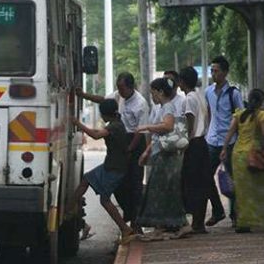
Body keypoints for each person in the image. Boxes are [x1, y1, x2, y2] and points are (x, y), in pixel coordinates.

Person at [77, 73, 149, 233]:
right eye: (118, 88)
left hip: (134, 142)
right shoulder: (118, 97)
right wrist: (83, 95)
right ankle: (129, 215)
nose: (120, 91)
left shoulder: (140, 103)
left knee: (135, 184)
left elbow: (140, 131)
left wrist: (130, 149)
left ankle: (136, 224)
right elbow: (103, 100)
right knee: (120, 185)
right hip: (121, 142)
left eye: (122, 88)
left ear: (131, 87)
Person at [71, 99, 135, 244]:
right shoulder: (115, 124)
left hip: (115, 168)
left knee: (104, 200)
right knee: (87, 179)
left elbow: (96, 135)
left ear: (105, 114)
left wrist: (77, 124)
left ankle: (125, 229)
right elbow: (97, 132)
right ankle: (71, 208)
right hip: (111, 165)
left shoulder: (116, 126)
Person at [220, 88, 264, 232]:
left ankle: (243, 223)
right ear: (261, 102)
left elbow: (230, 132)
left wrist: (224, 149)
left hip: (238, 155)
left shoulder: (240, 115)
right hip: (255, 154)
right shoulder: (262, 115)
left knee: (243, 191)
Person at [135, 77, 188, 239]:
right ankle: (164, 225)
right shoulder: (163, 107)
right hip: (159, 152)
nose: (152, 96)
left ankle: (175, 224)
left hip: (166, 156)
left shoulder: (168, 107)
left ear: (160, 92)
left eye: (153, 93)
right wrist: (147, 151)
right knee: (160, 191)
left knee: (162, 191)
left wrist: (147, 127)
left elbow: (168, 126)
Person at [205, 55, 243, 226]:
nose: (214, 74)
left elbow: (240, 117)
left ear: (225, 73)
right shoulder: (208, 92)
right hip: (212, 140)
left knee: (232, 179)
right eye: (212, 70)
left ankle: (235, 215)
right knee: (205, 176)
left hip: (231, 141)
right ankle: (218, 210)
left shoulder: (234, 93)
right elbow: (209, 114)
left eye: (217, 71)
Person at [179, 66, 210, 233]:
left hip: (193, 143)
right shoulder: (201, 95)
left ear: (182, 82)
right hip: (202, 141)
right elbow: (209, 115)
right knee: (202, 183)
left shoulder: (188, 99)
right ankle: (199, 222)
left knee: (193, 183)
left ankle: (196, 222)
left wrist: (187, 139)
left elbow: (189, 120)